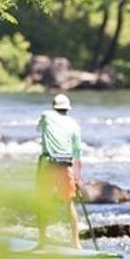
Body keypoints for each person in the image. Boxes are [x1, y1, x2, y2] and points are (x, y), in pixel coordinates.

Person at [36, 93, 83, 249]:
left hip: (49, 164)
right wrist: (78, 178)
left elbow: (39, 129)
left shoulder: (46, 116)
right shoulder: (75, 125)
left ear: (53, 107)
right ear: (67, 109)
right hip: (66, 165)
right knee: (69, 204)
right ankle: (76, 244)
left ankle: (42, 243)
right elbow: (77, 154)